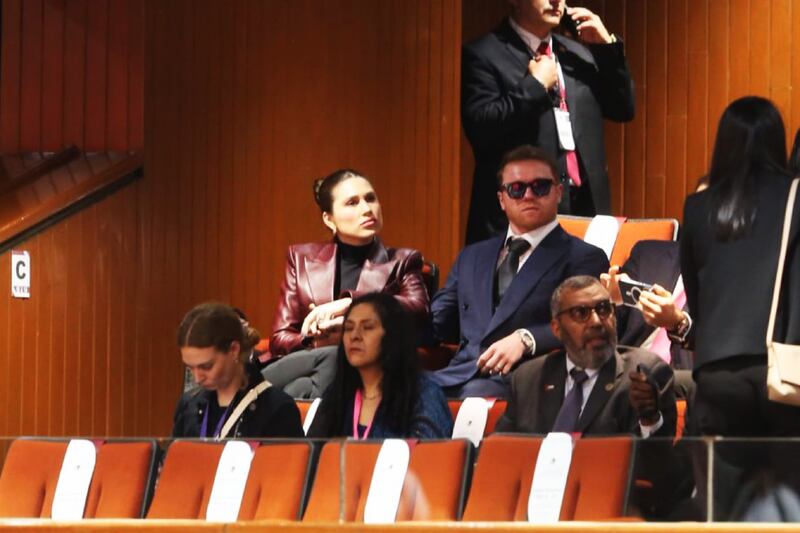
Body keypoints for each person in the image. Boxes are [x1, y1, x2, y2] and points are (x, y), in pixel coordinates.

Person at [429, 145, 609, 398]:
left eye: (540, 186)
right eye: (516, 188)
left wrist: (527, 339)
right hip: (460, 373)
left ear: (558, 192)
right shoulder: (471, 256)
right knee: (395, 389)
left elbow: (585, 324)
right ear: (502, 200)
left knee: (472, 395)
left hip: (528, 376)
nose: (528, 195)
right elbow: (437, 323)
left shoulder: (583, 256)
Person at [461, 0, 635, 243]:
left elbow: (622, 108)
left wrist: (607, 47)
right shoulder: (483, 54)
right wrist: (535, 86)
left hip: (585, 210)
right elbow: (481, 128)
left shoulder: (577, 54)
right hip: (523, 216)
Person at [680, 96, 800, 438]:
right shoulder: (795, 196)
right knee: (787, 473)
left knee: (722, 474)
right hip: (783, 368)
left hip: (716, 368)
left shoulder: (697, 206)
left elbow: (695, 296)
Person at [263, 169, 429, 398]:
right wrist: (318, 341)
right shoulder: (301, 258)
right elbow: (280, 338)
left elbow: (419, 310)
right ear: (328, 219)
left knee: (303, 386)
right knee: (314, 372)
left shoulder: (403, 260)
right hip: (306, 363)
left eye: (370, 198)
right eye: (352, 203)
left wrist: (351, 305)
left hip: (368, 369)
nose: (367, 209)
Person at [495, 275, 676, 436]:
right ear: (557, 328)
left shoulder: (644, 373)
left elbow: (658, 457)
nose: (596, 322)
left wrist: (650, 419)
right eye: (581, 313)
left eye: (604, 309)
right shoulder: (527, 379)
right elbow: (500, 451)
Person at [306, 292, 453, 439]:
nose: (354, 336)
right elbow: (312, 450)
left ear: (392, 336)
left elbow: (428, 451)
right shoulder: (338, 394)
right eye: (349, 328)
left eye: (367, 327)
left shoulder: (423, 395)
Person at [172, 302, 304, 438]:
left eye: (206, 366)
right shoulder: (189, 405)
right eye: (190, 368)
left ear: (234, 350)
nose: (197, 378)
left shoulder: (278, 409)